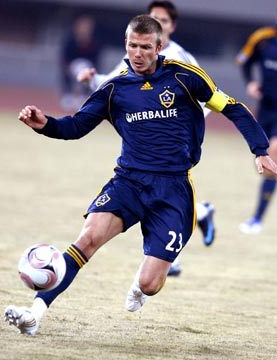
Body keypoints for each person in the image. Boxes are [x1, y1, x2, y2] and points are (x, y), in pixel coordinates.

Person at [5, 15, 277, 336]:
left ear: (159, 46)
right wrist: (45, 124)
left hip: (174, 189)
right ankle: (34, 314)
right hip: (128, 182)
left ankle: (140, 286)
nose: (137, 53)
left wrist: (260, 149)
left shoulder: (185, 77)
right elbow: (76, 126)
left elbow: (232, 106)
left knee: (151, 284)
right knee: (87, 239)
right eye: (132, 46)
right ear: (126, 45)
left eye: (144, 47)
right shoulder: (115, 87)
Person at [77, 0, 216, 277]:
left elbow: (207, 93)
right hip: (146, 130)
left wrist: (181, 120)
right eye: (154, 19)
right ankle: (198, 215)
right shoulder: (141, 49)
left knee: (167, 188)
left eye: (163, 21)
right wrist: (93, 80)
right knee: (143, 183)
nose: (158, 25)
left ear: (171, 27)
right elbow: (117, 79)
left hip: (179, 134)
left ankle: (169, 250)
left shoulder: (182, 59)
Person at [237, 0, 277, 235]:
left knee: (275, 153)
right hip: (266, 110)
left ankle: (257, 220)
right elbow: (243, 60)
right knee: (265, 165)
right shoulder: (263, 38)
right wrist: (250, 82)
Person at [60, 15, 100, 111]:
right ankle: (69, 94)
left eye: (87, 27)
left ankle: (83, 95)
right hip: (72, 66)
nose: (84, 29)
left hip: (88, 67)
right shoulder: (70, 40)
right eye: (82, 26)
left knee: (84, 68)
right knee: (78, 67)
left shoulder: (94, 42)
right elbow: (65, 56)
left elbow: (96, 59)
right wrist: (67, 66)